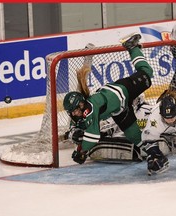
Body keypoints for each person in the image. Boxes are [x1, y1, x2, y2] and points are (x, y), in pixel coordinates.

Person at [63, 33, 154, 164]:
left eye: (75, 110)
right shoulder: (77, 113)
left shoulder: (90, 109)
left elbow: (93, 137)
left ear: (82, 105)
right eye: (71, 111)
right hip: (119, 109)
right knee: (133, 135)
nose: (74, 113)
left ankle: (132, 47)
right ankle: (151, 152)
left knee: (147, 73)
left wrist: (81, 151)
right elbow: (75, 125)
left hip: (124, 90)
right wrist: (74, 133)